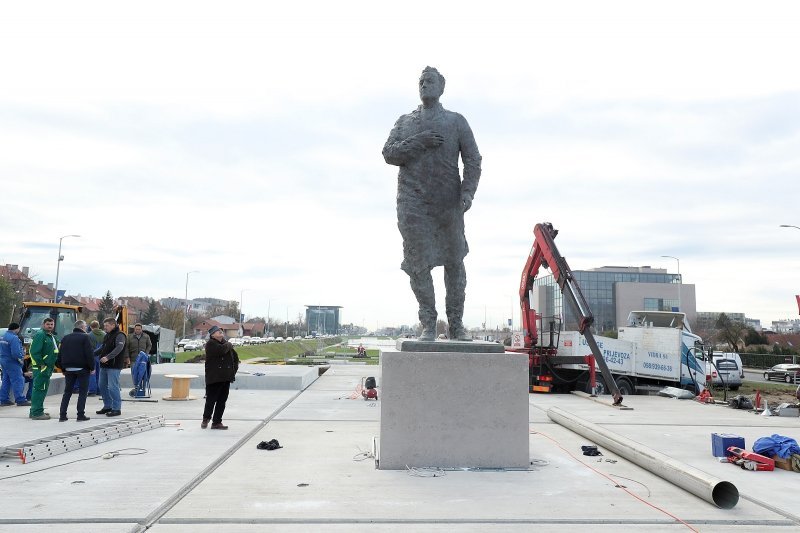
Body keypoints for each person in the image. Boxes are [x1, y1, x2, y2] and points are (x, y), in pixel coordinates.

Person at [383, 66, 482, 341]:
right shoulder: (405, 122)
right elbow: (389, 153)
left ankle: (456, 325)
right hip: (413, 203)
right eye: (421, 82)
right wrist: (419, 142)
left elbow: (473, 159)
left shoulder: (456, 121)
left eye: (430, 81)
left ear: (442, 87)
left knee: (454, 262)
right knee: (417, 264)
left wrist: (467, 192)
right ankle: (428, 322)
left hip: (448, 203)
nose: (425, 85)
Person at [202, 325, 239, 430]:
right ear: (213, 334)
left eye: (221, 331)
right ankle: (206, 418)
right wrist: (229, 344)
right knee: (211, 400)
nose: (220, 332)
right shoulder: (210, 344)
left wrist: (233, 370)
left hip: (225, 378)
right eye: (218, 331)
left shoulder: (226, 344)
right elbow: (221, 350)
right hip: (214, 378)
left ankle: (217, 422)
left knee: (222, 401)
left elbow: (235, 358)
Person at [57, 320, 95, 422]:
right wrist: (92, 367)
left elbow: (59, 354)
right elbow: (89, 354)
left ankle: (62, 415)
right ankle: (80, 415)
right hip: (82, 369)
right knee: (82, 392)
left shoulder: (65, 338)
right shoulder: (85, 337)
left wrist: (62, 367)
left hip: (68, 369)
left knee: (67, 392)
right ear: (82, 327)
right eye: (86, 326)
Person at [29, 317, 59, 420]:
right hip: (42, 367)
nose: (50, 326)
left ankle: (36, 411)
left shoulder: (51, 336)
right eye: (48, 324)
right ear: (43, 325)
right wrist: (42, 365)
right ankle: (37, 413)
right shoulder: (41, 335)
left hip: (47, 367)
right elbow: (34, 352)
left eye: (51, 324)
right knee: (39, 390)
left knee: (41, 390)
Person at [97, 317, 126, 417]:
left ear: (113, 325)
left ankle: (116, 408)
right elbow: (102, 348)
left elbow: (119, 348)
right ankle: (107, 406)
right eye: (104, 326)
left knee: (113, 387)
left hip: (114, 366)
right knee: (102, 385)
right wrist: (91, 354)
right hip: (104, 365)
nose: (105, 327)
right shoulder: (107, 336)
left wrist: (108, 357)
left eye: (107, 326)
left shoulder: (120, 335)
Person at [0, 322, 31, 406]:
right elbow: (16, 353)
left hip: (3, 360)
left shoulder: (3, 336)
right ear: (17, 329)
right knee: (18, 380)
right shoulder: (14, 338)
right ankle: (20, 399)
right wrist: (21, 358)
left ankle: (3, 399)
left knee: (6, 380)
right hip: (12, 362)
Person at [86, 320, 104, 395]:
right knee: (100, 373)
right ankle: (100, 390)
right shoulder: (104, 334)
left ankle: (92, 390)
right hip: (102, 355)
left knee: (92, 373)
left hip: (92, 355)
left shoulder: (89, 335)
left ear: (91, 327)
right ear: (99, 326)